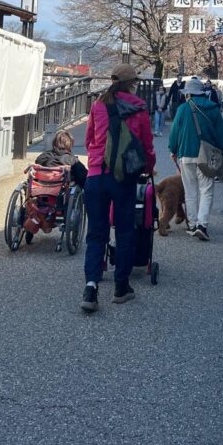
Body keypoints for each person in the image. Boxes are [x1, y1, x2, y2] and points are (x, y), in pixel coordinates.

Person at [80, 64, 155, 313]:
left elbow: (89, 140)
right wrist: (148, 167)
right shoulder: (139, 107)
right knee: (124, 231)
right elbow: (146, 144)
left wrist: (97, 159)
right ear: (131, 83)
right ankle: (121, 287)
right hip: (123, 178)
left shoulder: (98, 104)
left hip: (96, 176)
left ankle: (91, 286)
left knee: (96, 232)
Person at [167, 76, 223, 241]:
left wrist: (172, 149)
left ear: (189, 94)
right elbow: (222, 133)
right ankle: (202, 225)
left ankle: (192, 224)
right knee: (206, 190)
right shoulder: (214, 109)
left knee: (190, 191)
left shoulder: (183, 109)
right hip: (207, 156)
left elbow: (174, 133)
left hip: (186, 153)